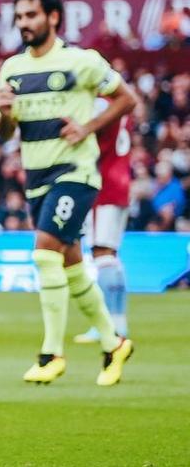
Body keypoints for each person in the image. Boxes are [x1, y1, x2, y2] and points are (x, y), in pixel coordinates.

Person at [0, 0, 138, 386]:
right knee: (72, 268)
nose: (24, 23)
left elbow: (127, 98)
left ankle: (51, 353)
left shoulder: (82, 61)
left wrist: (88, 127)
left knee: (44, 253)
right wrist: (4, 115)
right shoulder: (12, 69)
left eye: (31, 15)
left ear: (53, 16)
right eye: (19, 17)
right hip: (36, 178)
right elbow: (6, 133)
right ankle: (113, 343)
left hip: (75, 173)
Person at [74, 98, 132, 345]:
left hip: (104, 184)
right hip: (121, 181)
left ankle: (107, 326)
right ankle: (118, 323)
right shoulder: (121, 104)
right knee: (111, 255)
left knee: (102, 254)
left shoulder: (99, 104)